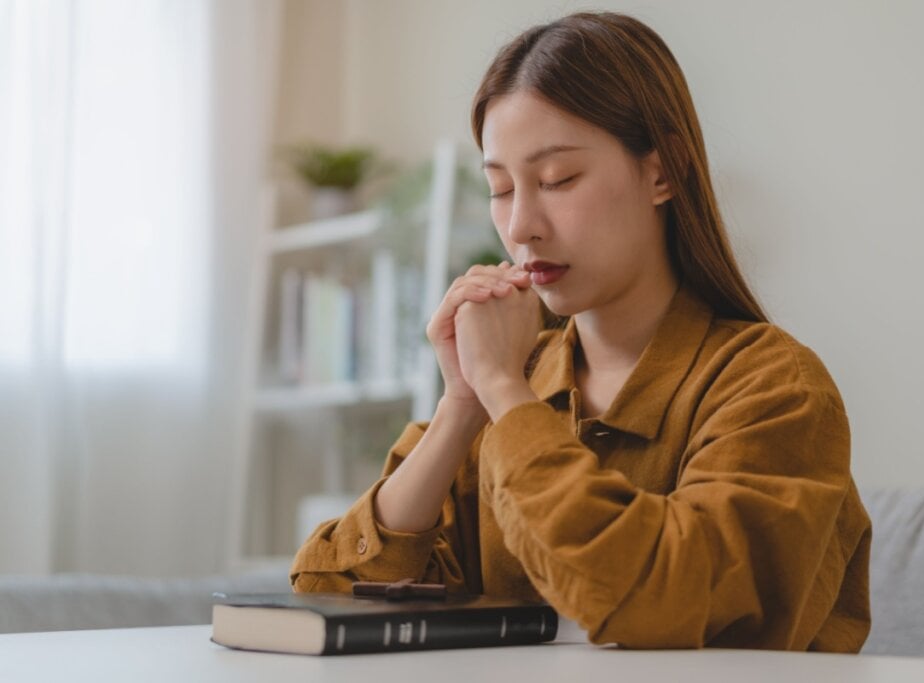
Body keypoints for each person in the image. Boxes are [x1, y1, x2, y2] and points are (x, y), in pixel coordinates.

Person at [290, 11, 871, 652]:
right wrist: (462, 405)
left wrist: (504, 395)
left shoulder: (774, 387)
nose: (520, 227)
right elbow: (327, 601)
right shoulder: (511, 381)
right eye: (501, 188)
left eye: (557, 180)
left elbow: (658, 597)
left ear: (664, 170)